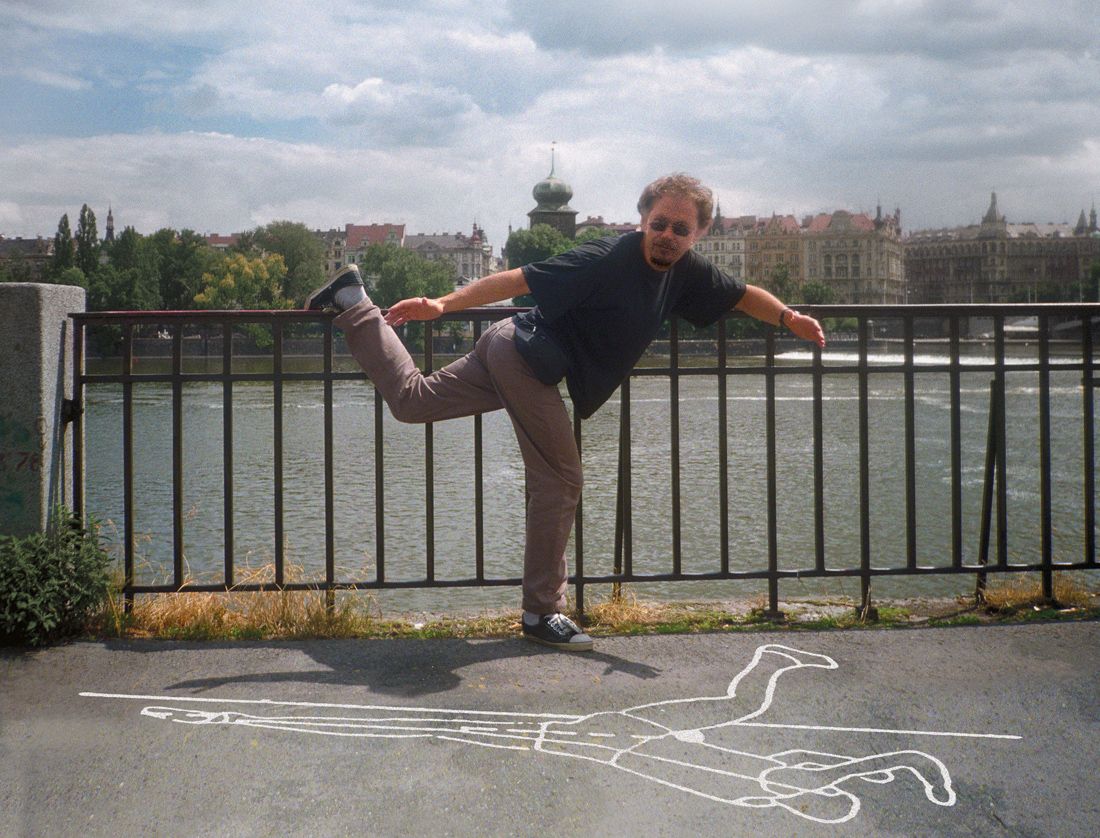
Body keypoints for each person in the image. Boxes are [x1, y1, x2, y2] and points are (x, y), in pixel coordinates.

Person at [306, 174, 826, 652]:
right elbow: (518, 279)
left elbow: (743, 295)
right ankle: (541, 612)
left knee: (413, 401)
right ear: (643, 220)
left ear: (699, 232)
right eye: (659, 224)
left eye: (680, 229)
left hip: (515, 348)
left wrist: (788, 317)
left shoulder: (688, 272)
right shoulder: (608, 256)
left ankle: (352, 298)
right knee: (560, 479)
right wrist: (444, 304)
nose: (667, 235)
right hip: (524, 357)